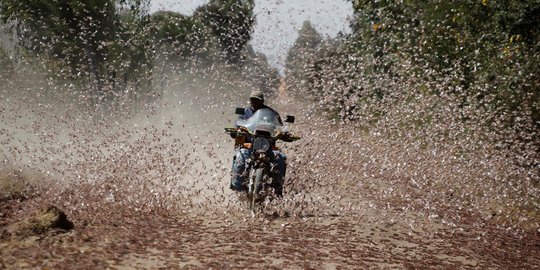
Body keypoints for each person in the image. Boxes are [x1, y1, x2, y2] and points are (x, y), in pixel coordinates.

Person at [229, 90, 287, 196]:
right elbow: (238, 125)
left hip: (268, 146)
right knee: (240, 156)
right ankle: (237, 185)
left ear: (262, 101)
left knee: (280, 159)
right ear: (250, 100)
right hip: (249, 144)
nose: (254, 102)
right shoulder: (246, 113)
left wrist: (285, 134)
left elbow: (280, 127)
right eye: (253, 99)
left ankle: (277, 189)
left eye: (257, 100)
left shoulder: (272, 113)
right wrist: (237, 130)